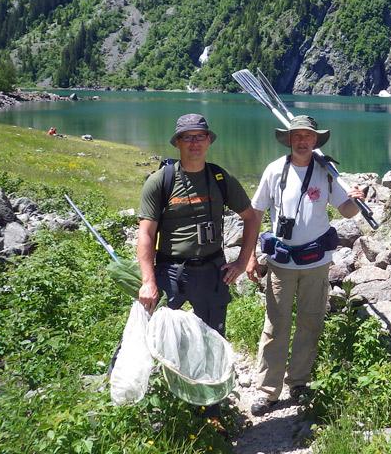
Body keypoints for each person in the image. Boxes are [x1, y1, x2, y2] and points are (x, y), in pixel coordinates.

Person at [246, 115, 366, 416]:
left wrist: (357, 199)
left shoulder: (326, 172)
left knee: (310, 323)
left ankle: (298, 381)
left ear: (316, 140)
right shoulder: (275, 170)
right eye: (297, 136)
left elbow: (347, 211)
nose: (302, 141)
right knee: (275, 326)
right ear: (289, 139)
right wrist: (249, 257)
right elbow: (256, 213)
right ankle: (267, 390)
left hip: (316, 262)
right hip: (281, 262)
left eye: (308, 136)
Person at [136, 112, 260, 334]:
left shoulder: (220, 178)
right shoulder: (161, 181)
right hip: (170, 271)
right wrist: (148, 280)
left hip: (212, 271)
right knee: (153, 333)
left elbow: (251, 218)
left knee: (213, 338)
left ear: (209, 141)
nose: (195, 143)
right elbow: (146, 234)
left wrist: (242, 262)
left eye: (200, 136)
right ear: (178, 142)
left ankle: (210, 370)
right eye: (188, 137)